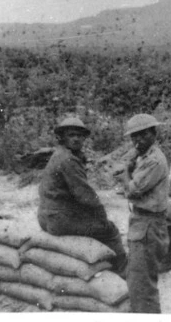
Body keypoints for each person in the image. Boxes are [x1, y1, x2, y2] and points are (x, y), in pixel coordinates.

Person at [37, 117, 127, 273]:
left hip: (47, 217)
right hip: (59, 219)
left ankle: (105, 263)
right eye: (71, 135)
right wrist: (101, 216)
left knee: (93, 225)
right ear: (62, 137)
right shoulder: (68, 160)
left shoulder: (59, 154)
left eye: (79, 135)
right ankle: (123, 269)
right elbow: (85, 195)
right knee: (109, 229)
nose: (76, 139)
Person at [116, 114, 170, 313]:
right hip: (143, 222)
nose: (138, 140)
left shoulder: (154, 160)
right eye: (134, 136)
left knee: (142, 285)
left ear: (154, 134)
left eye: (143, 135)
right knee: (139, 279)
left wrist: (125, 174)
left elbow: (132, 189)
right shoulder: (143, 155)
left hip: (148, 225)